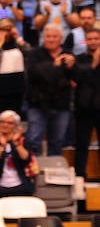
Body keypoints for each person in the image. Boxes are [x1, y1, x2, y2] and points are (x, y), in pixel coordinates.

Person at [25, 23, 75, 156]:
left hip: (61, 105)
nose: (51, 39)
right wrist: (55, 66)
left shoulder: (68, 55)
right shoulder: (35, 53)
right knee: (33, 140)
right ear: (43, 38)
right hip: (38, 104)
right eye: (48, 36)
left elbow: (74, 79)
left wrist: (71, 67)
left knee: (57, 142)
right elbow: (35, 73)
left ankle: (54, 168)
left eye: (54, 36)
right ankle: (31, 167)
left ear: (61, 39)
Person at [0, 110, 36, 206]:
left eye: (9, 123)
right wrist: (2, 146)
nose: (5, 125)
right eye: (2, 122)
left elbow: (26, 158)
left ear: (15, 126)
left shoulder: (23, 141)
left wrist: (16, 143)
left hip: (21, 186)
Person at [72, 26, 100, 178]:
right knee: (81, 145)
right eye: (90, 39)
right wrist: (94, 63)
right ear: (85, 41)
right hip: (84, 108)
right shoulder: (79, 59)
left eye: (96, 39)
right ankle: (80, 177)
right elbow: (78, 78)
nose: (93, 42)